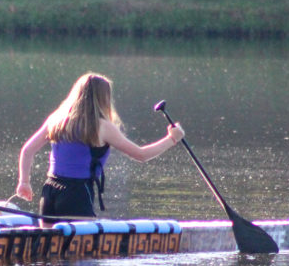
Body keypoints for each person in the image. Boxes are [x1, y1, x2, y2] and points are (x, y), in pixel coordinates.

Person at [16, 73, 185, 218]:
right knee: (80, 254)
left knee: (50, 248)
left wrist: (24, 182)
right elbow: (141, 155)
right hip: (76, 194)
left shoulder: (57, 119)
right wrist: (172, 139)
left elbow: (27, 150)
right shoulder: (102, 126)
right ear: (103, 98)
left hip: (49, 191)